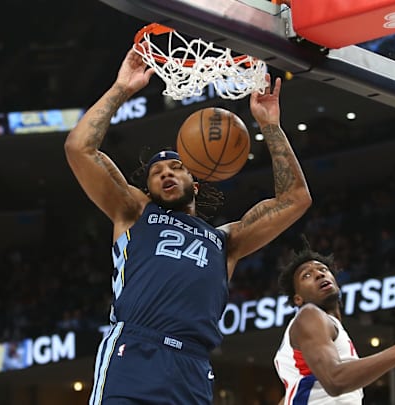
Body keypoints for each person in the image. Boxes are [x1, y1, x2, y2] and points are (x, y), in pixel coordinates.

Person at [65, 48, 311, 405]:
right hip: (134, 351)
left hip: (193, 366)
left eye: (176, 167)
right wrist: (121, 88)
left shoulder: (225, 240)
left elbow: (295, 199)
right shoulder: (134, 211)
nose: (166, 172)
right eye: (156, 172)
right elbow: (79, 148)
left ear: (195, 183)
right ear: (147, 188)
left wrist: (270, 126)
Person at [274, 241, 395, 404]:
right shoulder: (309, 315)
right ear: (298, 299)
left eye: (323, 269)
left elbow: (292, 394)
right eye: (307, 275)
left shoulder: (322, 329)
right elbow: (335, 380)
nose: (319, 274)